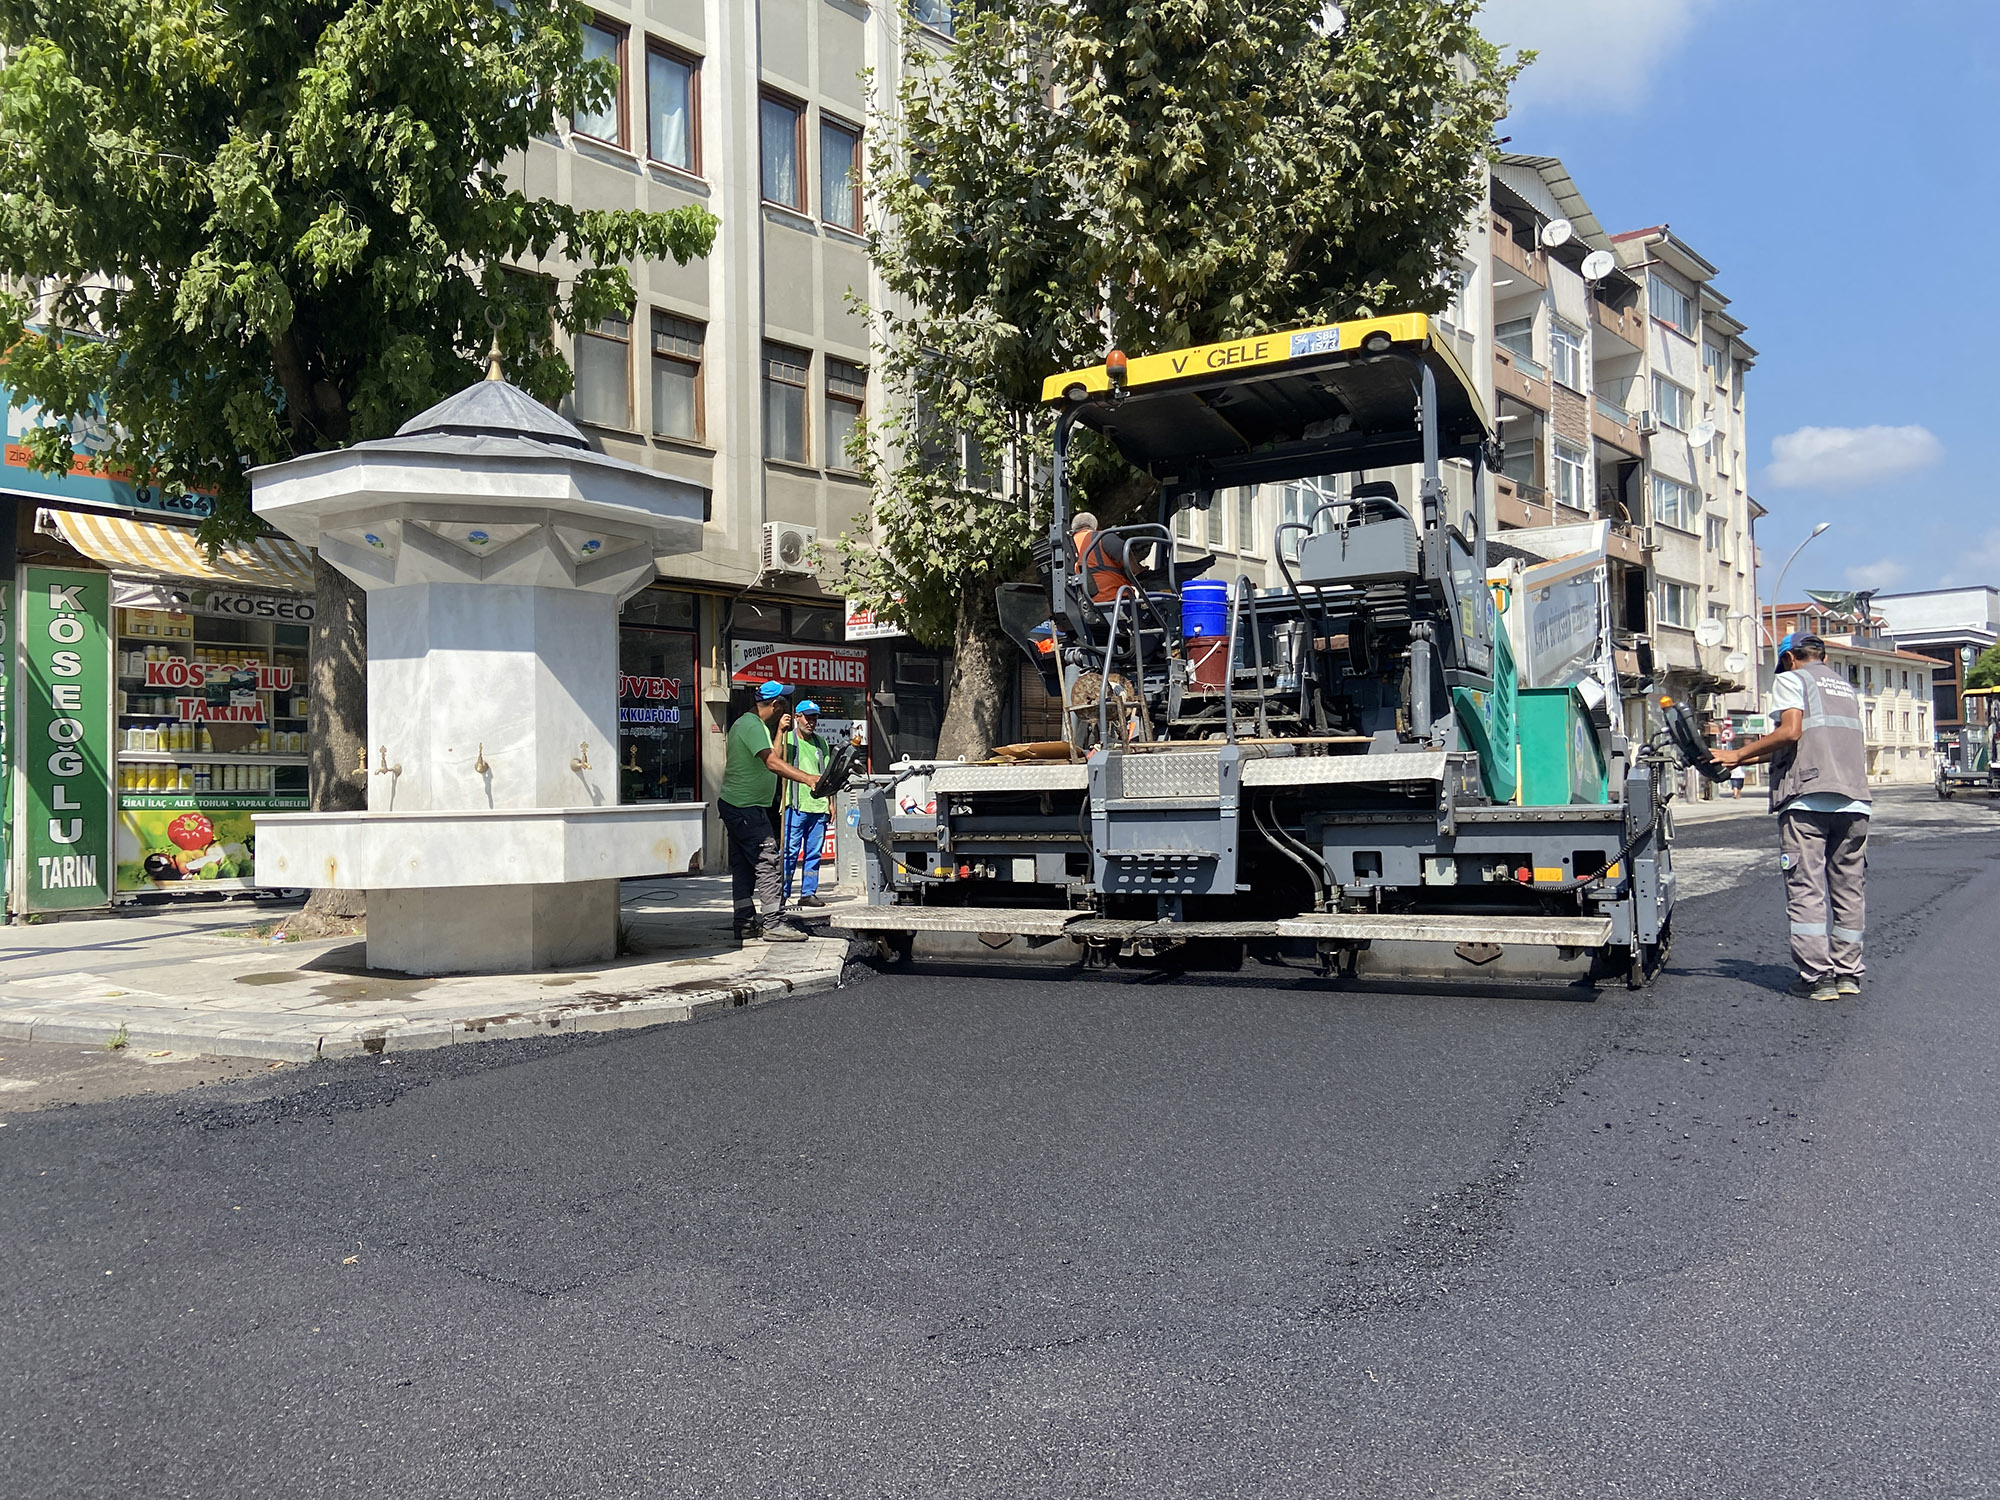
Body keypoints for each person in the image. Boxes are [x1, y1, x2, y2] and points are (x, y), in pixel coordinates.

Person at [1711, 634, 1869, 1001]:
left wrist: (1736, 756)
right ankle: (1848, 974)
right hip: (1855, 801)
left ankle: (1817, 978)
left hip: (1808, 801)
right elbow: (1797, 743)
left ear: (1788, 659)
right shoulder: (1845, 689)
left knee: (1807, 888)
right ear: (1823, 657)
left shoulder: (1791, 679)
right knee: (1849, 890)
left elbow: (1790, 731)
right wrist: (1737, 757)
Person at [719, 680, 823, 943]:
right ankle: (773, 923)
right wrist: (809, 778)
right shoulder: (753, 727)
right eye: (784, 703)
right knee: (767, 860)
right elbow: (773, 763)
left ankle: (743, 922)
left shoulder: (748, 724)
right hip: (745, 808)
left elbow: (773, 755)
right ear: (775, 704)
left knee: (743, 864)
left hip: (738, 805)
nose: (785, 707)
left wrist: (778, 731)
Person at [780, 700, 833, 908]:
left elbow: (827, 776)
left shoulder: (821, 743)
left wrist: (831, 802)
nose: (811, 722)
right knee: (789, 852)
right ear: (797, 717)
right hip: (795, 806)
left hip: (818, 808)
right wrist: (780, 730)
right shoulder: (788, 740)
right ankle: (782, 892)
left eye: (814, 718)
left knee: (814, 853)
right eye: (807, 717)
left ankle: (808, 892)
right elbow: (776, 760)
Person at [1071, 511, 1135, 605]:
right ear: (1095, 526)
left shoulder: (1066, 546)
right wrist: (1139, 570)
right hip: (1114, 599)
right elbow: (1125, 554)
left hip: (1083, 604)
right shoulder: (1102, 537)